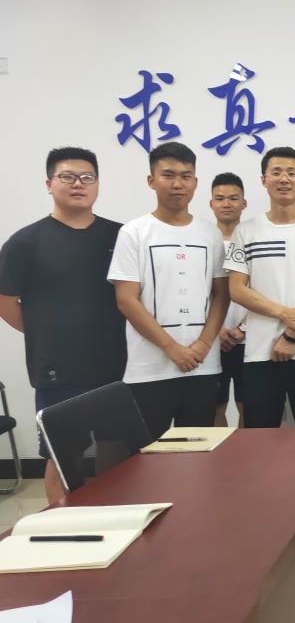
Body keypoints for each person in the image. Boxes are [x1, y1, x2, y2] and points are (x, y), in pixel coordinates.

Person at [0, 147, 126, 504]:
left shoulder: (119, 236)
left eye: (87, 177)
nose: (78, 184)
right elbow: (5, 302)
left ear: (97, 184)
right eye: (67, 177)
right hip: (57, 372)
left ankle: (115, 517)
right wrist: (47, 333)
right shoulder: (26, 242)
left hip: (116, 366)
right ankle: (61, 523)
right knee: (60, 457)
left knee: (116, 453)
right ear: (49, 184)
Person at [108, 142, 228, 440]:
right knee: (147, 456)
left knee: (199, 451)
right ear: (151, 181)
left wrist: (204, 344)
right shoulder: (134, 232)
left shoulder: (210, 233)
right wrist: (172, 348)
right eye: (168, 175)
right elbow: (126, 300)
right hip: (149, 368)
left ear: (195, 182)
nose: (177, 184)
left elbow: (222, 295)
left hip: (202, 366)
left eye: (185, 176)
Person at [224, 147, 295, 429]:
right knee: (260, 438)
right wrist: (286, 314)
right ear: (264, 180)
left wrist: (291, 334)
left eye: (291, 173)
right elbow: (237, 289)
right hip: (259, 352)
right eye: (276, 172)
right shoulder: (246, 231)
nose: (284, 179)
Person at [210, 172, 247, 428]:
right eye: (220, 198)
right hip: (211, 341)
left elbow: (265, 289)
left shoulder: (253, 238)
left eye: (233, 198)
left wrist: (242, 328)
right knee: (214, 408)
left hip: (250, 340)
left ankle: (248, 457)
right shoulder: (203, 240)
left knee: (251, 409)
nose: (227, 204)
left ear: (244, 203)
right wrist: (217, 329)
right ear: (211, 203)